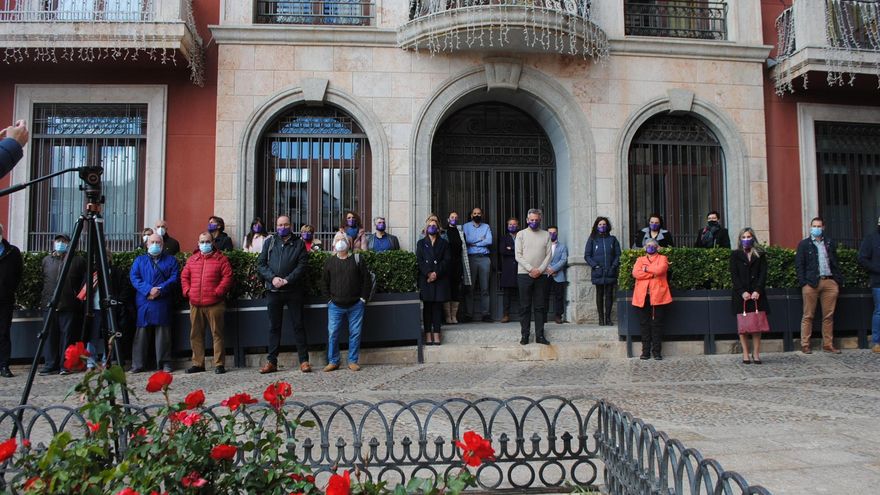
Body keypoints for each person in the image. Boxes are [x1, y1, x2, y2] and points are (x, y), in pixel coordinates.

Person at [257, 215, 311, 373]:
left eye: (285, 224)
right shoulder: (270, 242)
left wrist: (287, 280)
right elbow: (261, 264)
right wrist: (273, 278)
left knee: (299, 325)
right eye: (280, 225)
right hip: (273, 291)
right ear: (276, 226)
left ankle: (304, 361)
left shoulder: (299, 243)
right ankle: (271, 362)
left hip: (293, 290)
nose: (282, 227)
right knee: (274, 327)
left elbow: (302, 266)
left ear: (291, 225)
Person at [181, 233, 234, 374]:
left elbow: (227, 276)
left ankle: (219, 364)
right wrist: (187, 291)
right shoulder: (192, 260)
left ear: (212, 243)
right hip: (195, 303)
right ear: (198, 243)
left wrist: (218, 292)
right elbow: (184, 276)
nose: (205, 244)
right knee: (196, 334)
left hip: (215, 303)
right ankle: (198, 363)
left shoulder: (221, 259)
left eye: (208, 241)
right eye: (202, 241)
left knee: (217, 334)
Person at [321, 236, 372, 372]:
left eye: (342, 239)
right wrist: (329, 300)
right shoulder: (330, 262)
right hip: (335, 305)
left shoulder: (357, 259)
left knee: (355, 333)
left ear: (349, 243)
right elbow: (324, 283)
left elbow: (366, 280)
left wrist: (363, 299)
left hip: (356, 304)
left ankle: (353, 361)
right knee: (333, 333)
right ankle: (333, 361)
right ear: (334, 244)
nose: (340, 242)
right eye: (337, 239)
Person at [130, 234, 179, 373]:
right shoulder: (139, 260)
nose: (155, 244)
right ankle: (138, 364)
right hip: (144, 300)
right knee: (141, 334)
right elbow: (134, 277)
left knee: (163, 334)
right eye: (152, 242)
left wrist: (159, 290)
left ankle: (165, 363)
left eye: (158, 242)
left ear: (163, 245)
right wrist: (148, 290)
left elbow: (174, 278)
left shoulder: (171, 260)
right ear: (147, 244)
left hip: (162, 301)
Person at [38, 234, 86, 375]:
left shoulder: (78, 261)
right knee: (50, 336)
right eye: (58, 241)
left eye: (63, 241)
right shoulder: (46, 260)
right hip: (49, 304)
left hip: (69, 304)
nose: (60, 243)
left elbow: (84, 282)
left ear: (69, 243)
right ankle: (50, 364)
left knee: (67, 336)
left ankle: (65, 365)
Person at [796, 217, 843, 354]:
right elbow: (799, 264)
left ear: (823, 227)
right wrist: (803, 282)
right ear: (810, 227)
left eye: (818, 226)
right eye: (814, 226)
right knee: (808, 315)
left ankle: (828, 344)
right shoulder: (804, 244)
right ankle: (805, 344)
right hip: (811, 283)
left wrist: (836, 280)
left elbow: (835, 261)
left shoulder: (829, 243)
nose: (816, 228)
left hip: (829, 281)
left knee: (828, 315)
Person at [730, 228, 769, 364]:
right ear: (740, 239)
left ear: (753, 238)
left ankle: (756, 354)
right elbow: (734, 275)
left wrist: (758, 290)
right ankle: (745, 353)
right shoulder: (735, 255)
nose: (746, 239)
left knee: (757, 327)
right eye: (743, 237)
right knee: (743, 327)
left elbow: (763, 274)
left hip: (757, 295)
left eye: (749, 236)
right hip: (742, 295)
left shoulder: (760, 254)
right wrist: (742, 292)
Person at [515, 209, 552, 345]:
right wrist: (531, 269)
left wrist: (540, 270)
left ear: (540, 220)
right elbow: (518, 255)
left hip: (541, 276)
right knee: (525, 306)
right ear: (527, 220)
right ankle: (525, 335)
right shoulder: (521, 234)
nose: (534, 222)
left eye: (536, 220)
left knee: (540, 307)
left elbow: (549, 255)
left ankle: (540, 336)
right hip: (524, 274)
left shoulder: (546, 235)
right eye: (532, 220)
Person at [631, 239, 671, 360]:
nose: (650, 247)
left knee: (656, 324)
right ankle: (645, 352)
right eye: (648, 245)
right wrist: (652, 273)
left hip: (658, 296)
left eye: (653, 245)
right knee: (644, 324)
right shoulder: (640, 260)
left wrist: (646, 269)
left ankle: (657, 352)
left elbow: (661, 270)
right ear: (644, 248)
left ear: (657, 247)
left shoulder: (663, 258)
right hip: (642, 297)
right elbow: (635, 273)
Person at [417, 217, 451, 345]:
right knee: (427, 308)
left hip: (439, 278)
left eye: (434, 225)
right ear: (426, 228)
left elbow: (447, 260)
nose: (432, 227)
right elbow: (419, 260)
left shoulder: (444, 243)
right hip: (426, 279)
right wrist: (428, 273)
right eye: (430, 226)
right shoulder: (421, 243)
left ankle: (437, 333)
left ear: (438, 228)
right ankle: (427, 334)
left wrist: (436, 273)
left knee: (437, 307)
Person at [585, 217, 622, 326]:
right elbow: (587, 255)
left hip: (610, 271)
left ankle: (608, 318)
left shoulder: (613, 239)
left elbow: (618, 255)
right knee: (599, 294)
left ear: (607, 226)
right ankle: (601, 319)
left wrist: (614, 266)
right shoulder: (592, 239)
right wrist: (595, 266)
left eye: (604, 224)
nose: (602, 226)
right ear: (596, 226)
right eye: (600, 224)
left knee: (609, 295)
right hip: (598, 272)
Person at [0, 224, 23, 377]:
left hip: (4, 299)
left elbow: (18, 274)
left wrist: (9, 289)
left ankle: (3, 365)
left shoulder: (12, 251)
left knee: (3, 333)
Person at [463, 207, 493, 322]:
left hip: (484, 259)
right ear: (471, 215)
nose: (477, 215)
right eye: (475, 213)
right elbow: (466, 240)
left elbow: (489, 241)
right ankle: (468, 314)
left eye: (479, 213)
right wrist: (480, 240)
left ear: (482, 214)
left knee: (485, 288)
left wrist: (473, 243)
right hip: (470, 259)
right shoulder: (466, 226)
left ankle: (486, 314)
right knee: (469, 288)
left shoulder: (486, 227)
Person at [442, 211, 470, 324]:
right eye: (452, 217)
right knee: (447, 289)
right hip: (447, 264)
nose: (454, 219)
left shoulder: (461, 233)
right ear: (448, 219)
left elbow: (463, 249)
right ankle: (448, 317)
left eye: (456, 217)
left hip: (458, 264)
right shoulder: (443, 232)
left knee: (456, 290)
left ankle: (454, 316)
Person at [858, 215, 880, 354]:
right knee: (879, 312)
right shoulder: (871, 238)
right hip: (878, 281)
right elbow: (862, 258)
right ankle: (877, 342)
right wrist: (877, 269)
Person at [545, 226, 569, 324]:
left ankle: (558, 316)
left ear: (557, 233)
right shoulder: (543, 246)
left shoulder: (562, 246)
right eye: (550, 232)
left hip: (558, 275)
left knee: (559, 296)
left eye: (554, 232)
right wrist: (548, 269)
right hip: (545, 274)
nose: (552, 234)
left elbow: (563, 260)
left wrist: (554, 269)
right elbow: (540, 258)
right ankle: (543, 316)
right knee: (543, 296)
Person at [499, 217, 519, 323]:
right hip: (508, 270)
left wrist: (510, 248)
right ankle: (506, 315)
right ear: (507, 226)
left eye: (514, 224)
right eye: (510, 224)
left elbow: (525, 250)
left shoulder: (522, 236)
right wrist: (515, 250)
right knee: (507, 295)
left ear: (518, 225)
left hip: (520, 268)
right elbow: (503, 251)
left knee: (522, 293)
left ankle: (523, 315)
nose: (512, 226)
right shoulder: (504, 238)